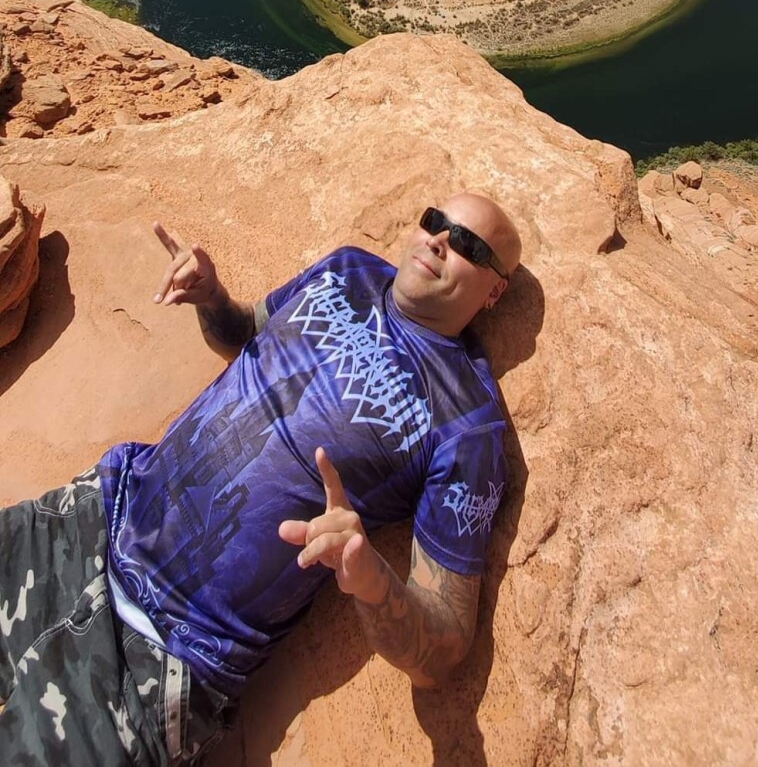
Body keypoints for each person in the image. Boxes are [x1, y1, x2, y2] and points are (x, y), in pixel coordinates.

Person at [0, 193, 522, 764]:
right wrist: (211, 298)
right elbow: (243, 334)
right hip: (92, 518)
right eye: (435, 221)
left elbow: (444, 648)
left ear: (494, 290)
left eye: (468, 245)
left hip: (161, 657)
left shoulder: (467, 424)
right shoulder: (350, 269)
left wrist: (371, 579)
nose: (439, 240)